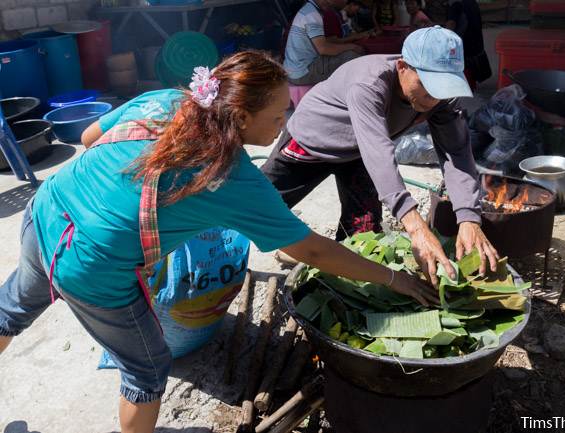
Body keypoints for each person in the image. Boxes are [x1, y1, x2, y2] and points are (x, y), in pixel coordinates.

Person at [0, 52, 436, 433]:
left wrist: (116, 195)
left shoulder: (170, 101)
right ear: (242, 117)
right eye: (279, 114)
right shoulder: (232, 178)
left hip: (47, 213)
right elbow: (313, 250)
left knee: (13, 310)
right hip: (91, 265)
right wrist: (394, 279)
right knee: (147, 367)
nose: (286, 122)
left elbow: (90, 138)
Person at [262, 27, 500, 287]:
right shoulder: (370, 82)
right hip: (312, 143)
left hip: (359, 154)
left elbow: (456, 152)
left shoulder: (441, 98)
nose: (433, 99)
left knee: (364, 235)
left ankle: (338, 277)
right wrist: (416, 227)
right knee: (253, 205)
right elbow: (380, 152)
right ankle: (289, 248)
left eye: (442, 88)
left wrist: (468, 217)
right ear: (402, 66)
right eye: (426, 85)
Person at [284, 0, 364, 85]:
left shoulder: (308, 9)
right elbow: (323, 49)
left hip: (294, 69)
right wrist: (352, 47)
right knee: (352, 56)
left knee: (344, 53)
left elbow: (324, 44)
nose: (330, 2)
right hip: (302, 72)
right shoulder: (312, 15)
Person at [445, 0, 491, 89]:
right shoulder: (472, 2)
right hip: (475, 43)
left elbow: (451, 24)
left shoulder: (455, 4)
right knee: (469, 65)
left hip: (463, 44)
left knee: (462, 64)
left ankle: (463, 86)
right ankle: (470, 84)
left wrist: (443, 37)